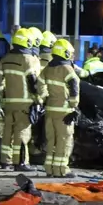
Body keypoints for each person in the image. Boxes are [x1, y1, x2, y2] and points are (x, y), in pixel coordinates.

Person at [0, 28, 39, 171]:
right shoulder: (28, 59)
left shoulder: (6, 58)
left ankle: (5, 161)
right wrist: (38, 99)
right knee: (22, 132)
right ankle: (20, 163)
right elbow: (33, 81)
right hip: (24, 103)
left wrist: (3, 95)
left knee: (8, 131)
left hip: (9, 103)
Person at [37, 39, 80, 177]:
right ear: (65, 53)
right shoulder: (67, 69)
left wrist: (44, 98)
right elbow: (74, 86)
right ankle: (62, 170)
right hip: (64, 111)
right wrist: (74, 106)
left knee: (51, 140)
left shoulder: (47, 68)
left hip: (50, 110)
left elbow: (39, 85)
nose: (72, 56)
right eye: (71, 53)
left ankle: (49, 169)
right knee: (64, 140)